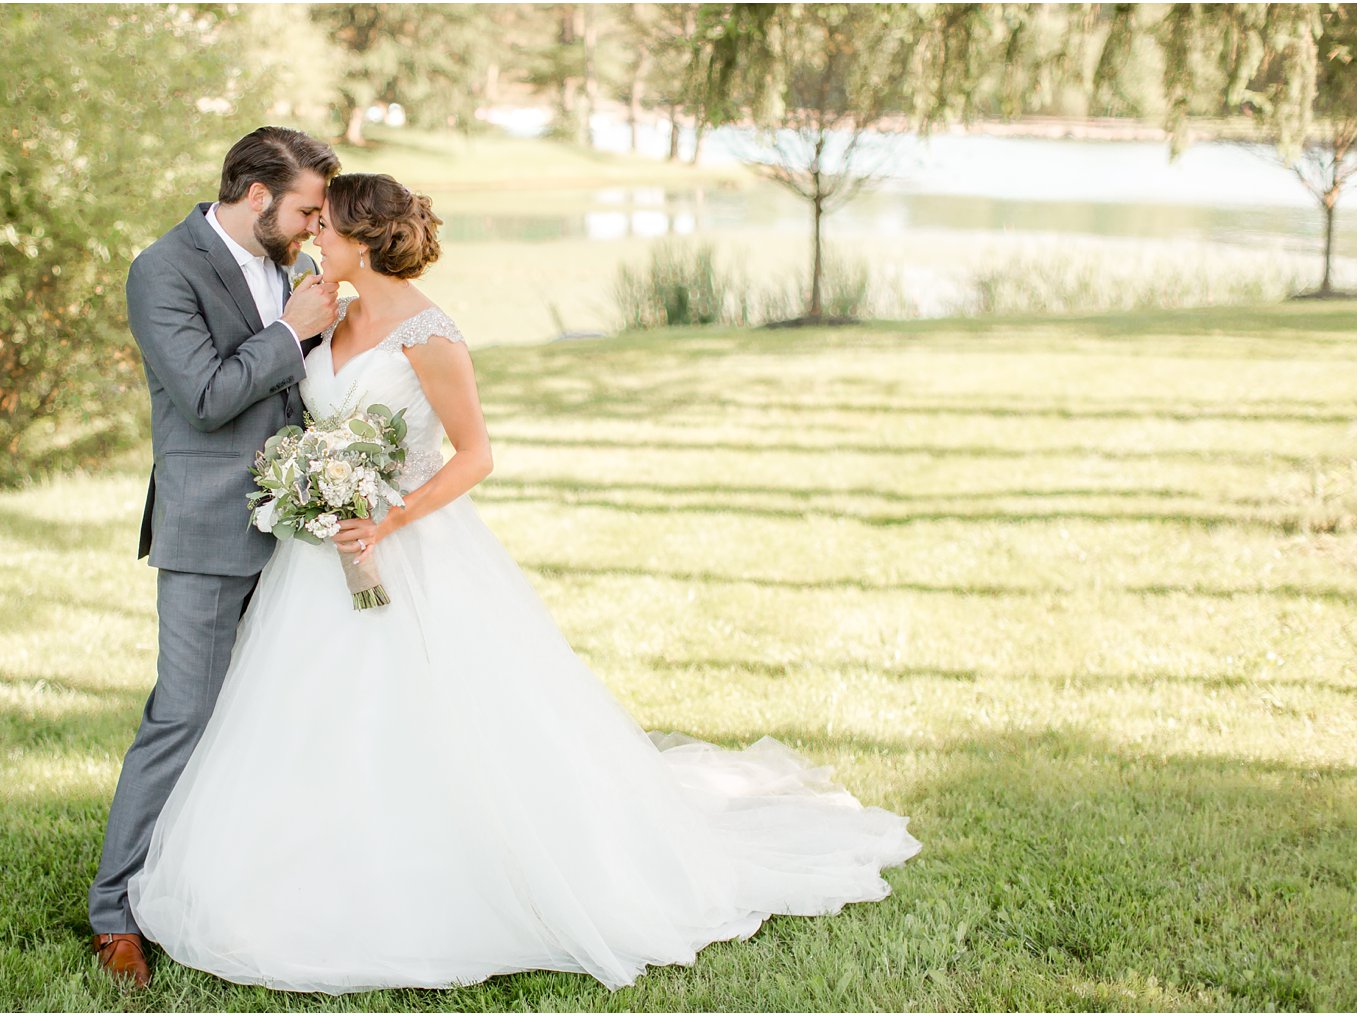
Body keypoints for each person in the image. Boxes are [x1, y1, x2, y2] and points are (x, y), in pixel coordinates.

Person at [125, 172, 921, 994]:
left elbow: (475, 454)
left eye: (323, 227)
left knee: (437, 714)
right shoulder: (328, 311)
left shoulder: (430, 334)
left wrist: (388, 520)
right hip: (320, 556)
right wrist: (317, 483)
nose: (310, 240)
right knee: (301, 714)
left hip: (408, 545)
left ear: (363, 238)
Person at [88, 127, 342, 987]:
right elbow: (201, 397)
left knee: (281, 715)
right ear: (255, 192)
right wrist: (292, 330)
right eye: (307, 209)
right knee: (184, 717)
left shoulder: (294, 268)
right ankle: (115, 911)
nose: (314, 227)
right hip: (208, 527)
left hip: (298, 528)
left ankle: (244, 887)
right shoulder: (163, 267)